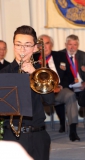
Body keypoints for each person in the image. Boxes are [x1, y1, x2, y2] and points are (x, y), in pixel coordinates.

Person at [0, 25, 55, 160]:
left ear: (35, 48)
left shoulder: (41, 72)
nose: (22, 49)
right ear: (13, 46)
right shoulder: (4, 73)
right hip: (13, 136)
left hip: (39, 135)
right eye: (18, 45)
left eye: (27, 45)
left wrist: (34, 73)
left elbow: (50, 100)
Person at [33, 34, 80, 141]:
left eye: (47, 43)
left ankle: (73, 131)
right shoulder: (33, 58)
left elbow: (69, 75)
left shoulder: (61, 56)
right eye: (42, 44)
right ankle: (36, 131)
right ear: (38, 46)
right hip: (40, 93)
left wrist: (60, 86)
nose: (44, 47)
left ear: (52, 45)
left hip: (59, 90)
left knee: (70, 95)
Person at [59, 34, 85, 129]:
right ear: (65, 45)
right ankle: (62, 123)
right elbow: (58, 75)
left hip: (80, 85)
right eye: (70, 44)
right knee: (63, 94)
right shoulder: (60, 55)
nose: (72, 47)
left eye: (75, 45)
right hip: (66, 85)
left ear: (78, 45)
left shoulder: (82, 55)